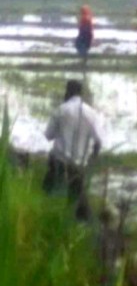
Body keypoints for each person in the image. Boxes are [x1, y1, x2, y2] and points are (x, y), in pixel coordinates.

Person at [44, 80, 103, 221]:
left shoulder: (61, 110)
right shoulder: (92, 114)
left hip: (59, 161)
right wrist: (92, 160)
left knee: (48, 191)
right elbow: (99, 142)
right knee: (75, 194)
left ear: (67, 92)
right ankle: (76, 218)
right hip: (80, 164)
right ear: (81, 93)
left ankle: (52, 213)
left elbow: (48, 136)